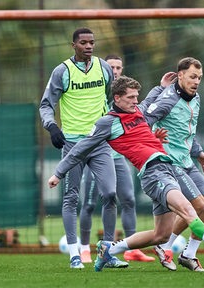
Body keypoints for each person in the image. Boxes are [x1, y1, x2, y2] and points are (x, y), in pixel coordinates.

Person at [47, 75, 204, 272]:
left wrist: (161, 87)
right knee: (189, 210)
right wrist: (58, 173)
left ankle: (109, 249)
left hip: (168, 168)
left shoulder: (138, 111)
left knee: (161, 236)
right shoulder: (107, 123)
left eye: (136, 96)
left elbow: (149, 101)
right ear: (117, 98)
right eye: (130, 97)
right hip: (153, 173)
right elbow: (80, 149)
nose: (135, 101)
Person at [39, 28, 126, 269]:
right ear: (74, 45)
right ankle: (74, 254)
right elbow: (46, 104)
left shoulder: (104, 68)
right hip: (72, 143)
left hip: (99, 143)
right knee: (71, 198)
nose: (89, 46)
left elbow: (114, 98)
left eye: (92, 43)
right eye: (83, 43)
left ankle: (108, 252)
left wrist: (112, 122)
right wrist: (52, 126)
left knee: (110, 194)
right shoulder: (62, 71)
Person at [144, 57, 204, 272]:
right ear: (180, 76)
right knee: (198, 205)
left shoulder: (196, 98)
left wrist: (199, 153)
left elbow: (187, 131)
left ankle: (188, 255)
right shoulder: (167, 100)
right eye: (192, 77)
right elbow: (143, 120)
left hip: (187, 161)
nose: (196, 81)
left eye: (199, 78)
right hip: (169, 161)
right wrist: (152, 138)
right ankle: (164, 246)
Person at [78, 54, 154, 263]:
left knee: (128, 199)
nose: (115, 71)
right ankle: (84, 248)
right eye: (111, 67)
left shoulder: (128, 97)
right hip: (98, 155)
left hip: (118, 156)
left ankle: (129, 248)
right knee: (90, 203)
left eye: (119, 67)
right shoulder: (96, 92)